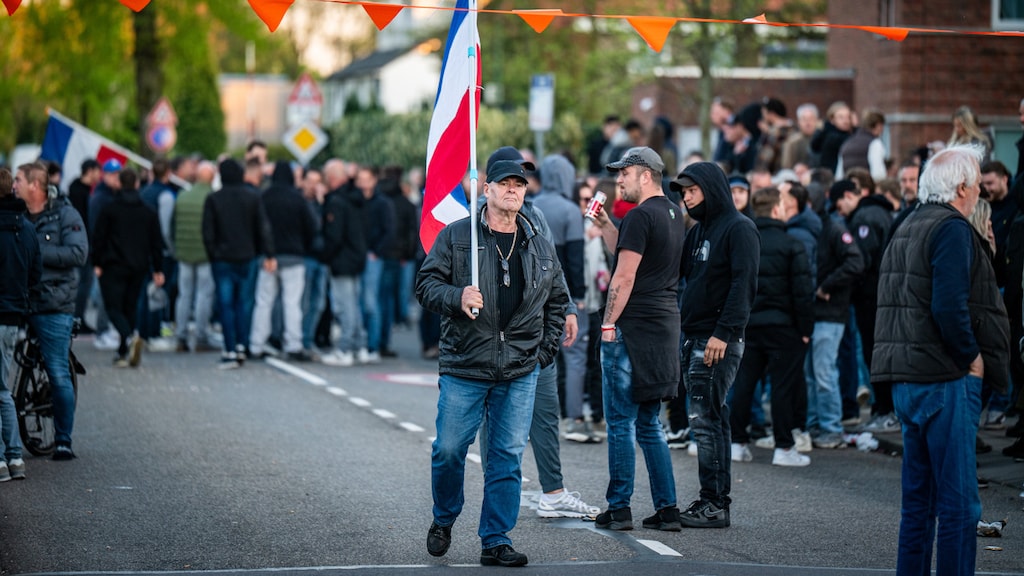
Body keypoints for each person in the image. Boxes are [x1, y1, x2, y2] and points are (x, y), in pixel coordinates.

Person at [417, 159, 568, 567]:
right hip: (465, 364)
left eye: (520, 184)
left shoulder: (537, 240)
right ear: (487, 189)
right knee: (448, 450)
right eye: (505, 183)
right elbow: (425, 285)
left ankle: (496, 539)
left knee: (506, 457)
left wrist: (542, 353)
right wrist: (457, 297)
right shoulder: (456, 236)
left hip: (519, 369)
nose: (514, 190)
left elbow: (557, 300)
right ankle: (444, 517)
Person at [871, 144, 1009, 576]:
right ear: (964, 187)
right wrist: (973, 358)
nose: (980, 195)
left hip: (907, 377)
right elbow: (950, 306)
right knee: (958, 506)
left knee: (918, 505)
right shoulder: (950, 228)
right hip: (943, 376)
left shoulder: (908, 225)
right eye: (978, 186)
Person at [590, 146, 686, 531]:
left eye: (624, 174)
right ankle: (667, 509)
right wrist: (606, 227)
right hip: (664, 327)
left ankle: (619, 507)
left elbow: (625, 276)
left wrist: (608, 324)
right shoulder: (674, 213)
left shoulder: (640, 215)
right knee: (649, 423)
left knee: (619, 421)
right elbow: (635, 256)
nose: (618, 181)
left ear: (645, 175)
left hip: (632, 331)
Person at [675, 161, 759, 528]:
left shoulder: (740, 229)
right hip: (693, 335)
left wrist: (723, 333)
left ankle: (713, 504)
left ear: (711, 188)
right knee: (710, 420)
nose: (687, 198)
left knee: (705, 422)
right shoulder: (698, 231)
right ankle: (712, 500)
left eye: (692, 191)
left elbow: (744, 285)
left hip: (716, 341)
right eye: (683, 193)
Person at [728, 187, 814, 466]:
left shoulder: (744, 242)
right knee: (783, 387)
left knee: (743, 385)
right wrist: (805, 329)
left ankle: (737, 443)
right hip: (784, 327)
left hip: (748, 325)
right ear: (777, 209)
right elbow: (802, 290)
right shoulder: (791, 245)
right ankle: (784, 447)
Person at [14, 162, 88, 460]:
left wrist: (34, 252)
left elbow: (78, 253)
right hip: (19, 301)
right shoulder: (14, 214)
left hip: (53, 303)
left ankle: (62, 440)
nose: (14, 184)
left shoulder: (65, 214)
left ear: (35, 185)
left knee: (57, 371)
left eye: (18, 179)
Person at [532, 154, 591, 441]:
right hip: (562, 293)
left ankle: (536, 417)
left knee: (535, 354)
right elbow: (576, 259)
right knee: (575, 354)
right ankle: (573, 416)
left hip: (533, 293)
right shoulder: (570, 211)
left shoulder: (531, 205)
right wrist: (577, 296)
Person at [805, 184, 865, 449]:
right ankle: (817, 424)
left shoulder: (833, 229)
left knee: (823, 371)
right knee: (812, 373)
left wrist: (826, 286)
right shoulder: (819, 228)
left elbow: (855, 262)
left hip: (830, 314)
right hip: (818, 314)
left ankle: (831, 427)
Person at [202, 159, 276, 369]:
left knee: (226, 305)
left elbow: (207, 232)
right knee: (244, 303)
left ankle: (230, 348)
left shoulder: (214, 199)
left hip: (223, 258)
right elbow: (263, 227)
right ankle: (243, 344)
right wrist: (268, 253)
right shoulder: (252, 197)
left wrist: (213, 254)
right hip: (247, 256)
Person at [92, 169, 165, 367]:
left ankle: (129, 338)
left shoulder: (109, 209)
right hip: (139, 266)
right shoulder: (148, 211)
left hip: (113, 265)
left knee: (113, 307)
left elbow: (99, 237)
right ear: (137, 185)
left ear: (119, 184)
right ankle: (123, 350)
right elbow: (156, 243)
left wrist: (96, 262)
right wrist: (158, 269)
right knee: (130, 307)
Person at [249, 161, 316, 362]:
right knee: (292, 303)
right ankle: (293, 345)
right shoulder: (298, 198)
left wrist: (264, 251)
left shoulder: (264, 197)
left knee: (263, 302)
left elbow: (256, 226)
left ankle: (256, 344)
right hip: (294, 257)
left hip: (268, 258)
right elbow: (312, 226)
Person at [0, 168, 41, 481]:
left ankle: (6, 458)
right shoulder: (26, 228)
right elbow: (34, 274)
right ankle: (13, 458)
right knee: (2, 386)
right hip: (13, 315)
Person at [320, 159, 369, 367]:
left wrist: (325, 255)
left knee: (344, 306)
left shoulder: (336, 201)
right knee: (354, 305)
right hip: (356, 256)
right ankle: (360, 347)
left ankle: (345, 349)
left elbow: (334, 235)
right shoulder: (355, 197)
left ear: (331, 178)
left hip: (342, 259)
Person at [173, 161, 217, 353]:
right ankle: (201, 337)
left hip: (184, 252)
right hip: (205, 253)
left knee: (184, 295)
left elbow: (172, 225)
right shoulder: (212, 197)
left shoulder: (183, 196)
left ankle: (181, 336)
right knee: (204, 295)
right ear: (212, 177)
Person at [68, 159, 100, 333]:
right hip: (82, 243)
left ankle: (78, 317)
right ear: (90, 171)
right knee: (84, 282)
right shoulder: (80, 192)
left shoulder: (80, 190)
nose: (99, 175)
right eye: (97, 171)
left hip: (82, 242)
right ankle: (77, 318)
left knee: (83, 282)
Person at [837, 109, 887, 181]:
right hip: (866, 188)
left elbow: (839, 175)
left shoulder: (846, 144)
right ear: (879, 126)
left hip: (849, 189)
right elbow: (878, 174)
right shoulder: (875, 143)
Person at [811, 101, 853, 174]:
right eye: (841, 117)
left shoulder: (851, 134)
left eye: (848, 117)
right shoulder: (832, 137)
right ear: (832, 119)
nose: (846, 121)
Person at [781, 103, 820, 170]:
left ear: (816, 121)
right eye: (804, 119)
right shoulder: (792, 142)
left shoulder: (823, 140)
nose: (808, 123)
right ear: (799, 122)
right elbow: (786, 166)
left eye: (811, 119)